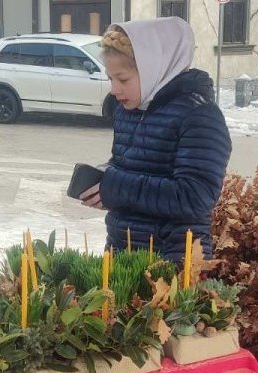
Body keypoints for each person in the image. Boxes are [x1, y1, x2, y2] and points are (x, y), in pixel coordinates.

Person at [77, 18, 231, 263]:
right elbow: (134, 167)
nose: (114, 89)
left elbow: (195, 197)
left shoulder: (200, 116)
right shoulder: (128, 111)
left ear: (154, 69)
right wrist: (104, 180)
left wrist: (117, 188)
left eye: (123, 79)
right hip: (123, 252)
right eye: (111, 78)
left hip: (174, 260)